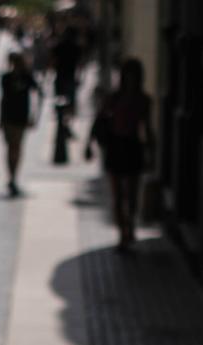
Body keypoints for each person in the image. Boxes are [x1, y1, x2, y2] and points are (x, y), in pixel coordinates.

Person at [86, 58, 153, 250]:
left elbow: (147, 128)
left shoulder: (143, 100)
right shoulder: (113, 98)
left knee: (131, 194)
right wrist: (89, 143)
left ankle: (129, 225)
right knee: (117, 195)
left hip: (133, 146)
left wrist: (150, 151)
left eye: (134, 75)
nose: (130, 79)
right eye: (127, 75)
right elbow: (99, 119)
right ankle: (123, 232)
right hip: (116, 146)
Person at [0, 51, 43, 197]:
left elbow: (39, 93)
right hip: (8, 117)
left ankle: (13, 177)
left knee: (16, 147)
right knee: (10, 147)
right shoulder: (5, 78)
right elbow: (2, 99)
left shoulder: (27, 77)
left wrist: (35, 115)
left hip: (21, 118)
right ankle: (11, 175)